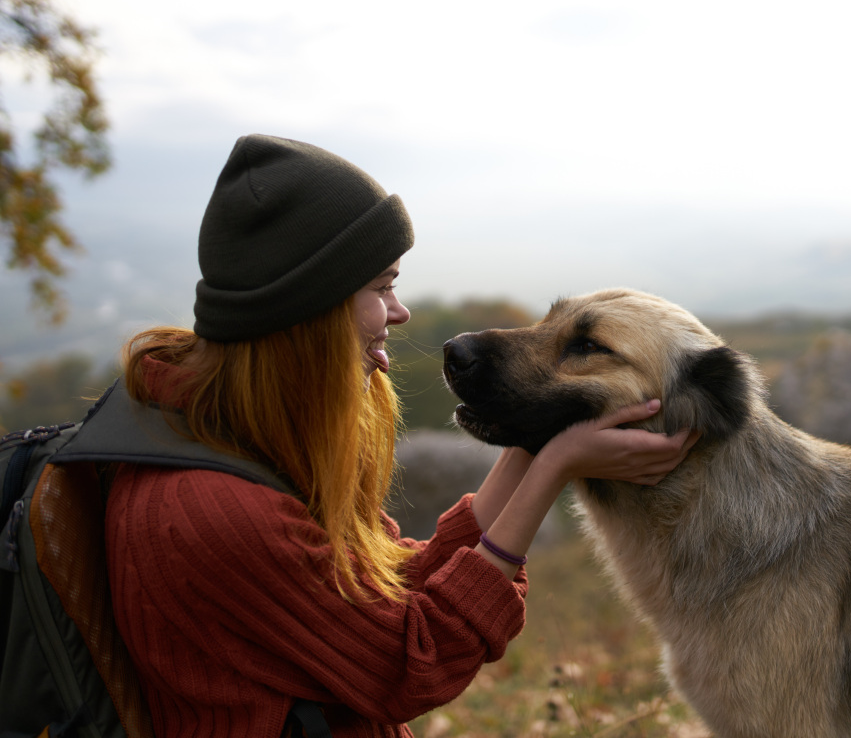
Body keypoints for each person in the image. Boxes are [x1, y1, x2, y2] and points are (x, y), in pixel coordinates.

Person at [106, 134, 698, 738]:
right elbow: (411, 663)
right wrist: (553, 468)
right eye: (381, 287)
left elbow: (389, 585)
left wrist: (538, 431)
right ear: (312, 309)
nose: (399, 310)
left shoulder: (234, 441)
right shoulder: (214, 512)